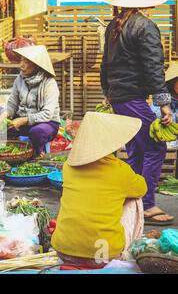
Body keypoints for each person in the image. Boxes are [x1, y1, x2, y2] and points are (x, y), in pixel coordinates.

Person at [100, 0, 174, 225]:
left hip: (121, 98)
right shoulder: (145, 26)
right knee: (155, 147)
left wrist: (108, 93)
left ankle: (132, 200)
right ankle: (147, 203)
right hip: (132, 98)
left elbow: (105, 66)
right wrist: (164, 103)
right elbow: (154, 68)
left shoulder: (114, 24)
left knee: (136, 150)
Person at [51, 112, 147, 269]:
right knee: (135, 199)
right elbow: (142, 189)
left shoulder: (68, 166)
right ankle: (116, 256)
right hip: (103, 255)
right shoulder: (120, 170)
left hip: (63, 250)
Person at [0, 45, 60, 157]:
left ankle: (37, 153)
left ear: (37, 65)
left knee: (36, 132)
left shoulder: (49, 83)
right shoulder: (19, 79)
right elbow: (12, 104)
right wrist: (5, 114)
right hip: (21, 121)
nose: (21, 65)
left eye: (26, 62)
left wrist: (24, 120)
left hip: (46, 123)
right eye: (21, 60)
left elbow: (47, 114)